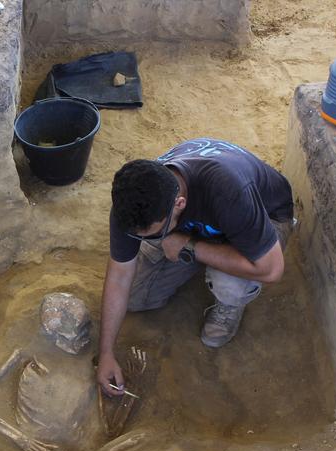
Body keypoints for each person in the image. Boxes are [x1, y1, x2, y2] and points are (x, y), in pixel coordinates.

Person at [97, 138, 295, 397]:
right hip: (194, 224)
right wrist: (106, 353)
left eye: (153, 234)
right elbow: (120, 276)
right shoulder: (131, 203)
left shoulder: (229, 192)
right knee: (136, 297)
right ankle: (196, 247)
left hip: (266, 217)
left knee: (230, 283)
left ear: (179, 204)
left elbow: (271, 269)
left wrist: (190, 246)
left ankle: (228, 299)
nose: (146, 239)